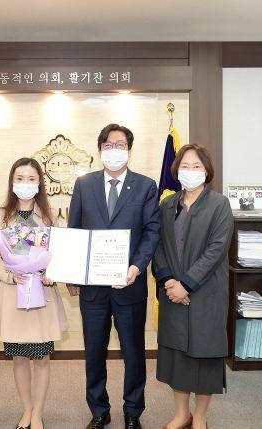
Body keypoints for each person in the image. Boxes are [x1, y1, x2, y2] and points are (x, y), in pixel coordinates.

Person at [67, 123, 160, 429]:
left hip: (129, 285)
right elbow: (74, 231)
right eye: (108, 145)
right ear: (100, 150)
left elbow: (151, 232)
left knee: (133, 352)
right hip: (93, 288)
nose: (114, 150)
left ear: (129, 150)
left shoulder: (145, 186)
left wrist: (136, 267)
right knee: (94, 352)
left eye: (120, 145)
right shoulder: (84, 184)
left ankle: (133, 411)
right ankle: (99, 411)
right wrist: (72, 274)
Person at [152, 144, 234, 429]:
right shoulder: (167, 205)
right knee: (177, 357)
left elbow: (216, 250)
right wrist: (169, 282)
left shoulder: (219, 204)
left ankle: (199, 417)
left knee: (204, 358)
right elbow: (158, 246)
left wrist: (186, 285)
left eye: (196, 166)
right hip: (172, 292)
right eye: (185, 166)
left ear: (207, 171)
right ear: (176, 171)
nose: (190, 171)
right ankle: (181, 414)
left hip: (205, 292)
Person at [0, 157, 68, 429]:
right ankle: (27, 409)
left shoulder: (51, 216)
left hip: (42, 297)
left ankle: (38, 413)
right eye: (20, 178)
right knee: (20, 358)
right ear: (12, 182)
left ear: (39, 183)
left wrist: (51, 273)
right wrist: (11, 275)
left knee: (42, 358)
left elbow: (60, 254)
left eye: (31, 179)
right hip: (13, 296)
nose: (25, 183)